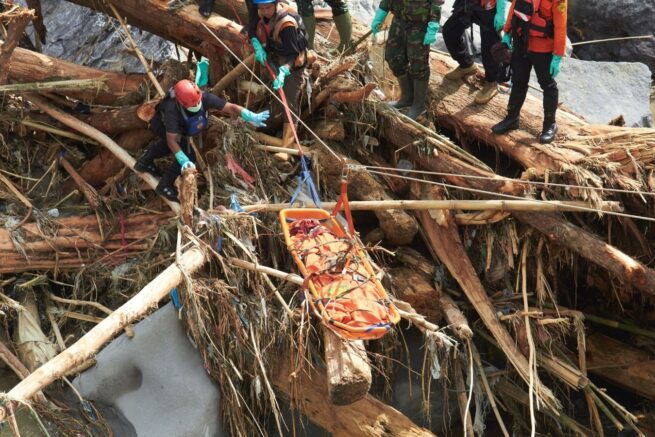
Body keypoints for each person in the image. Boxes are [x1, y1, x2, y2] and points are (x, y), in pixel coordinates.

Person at [134, 79, 270, 202]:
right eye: (192, 105)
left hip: (178, 128)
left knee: (169, 145)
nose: (197, 106)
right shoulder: (172, 110)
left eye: (198, 103)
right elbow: (171, 140)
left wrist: (249, 115)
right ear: (181, 103)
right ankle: (164, 185)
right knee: (188, 154)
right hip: (162, 124)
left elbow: (231, 107)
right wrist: (183, 160)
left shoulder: (204, 98)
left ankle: (144, 162)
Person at [491, 0, 567, 143]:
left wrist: (557, 56)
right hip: (521, 42)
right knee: (518, 81)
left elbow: (560, 26)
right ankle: (512, 118)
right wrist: (507, 33)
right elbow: (514, 8)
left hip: (543, 48)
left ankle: (550, 124)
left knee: (548, 85)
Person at [247, 0, 309, 146]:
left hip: (292, 64)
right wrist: (255, 42)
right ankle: (261, 119)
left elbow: (294, 54)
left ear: (276, 4)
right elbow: (252, 28)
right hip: (274, 57)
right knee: (271, 95)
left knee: (288, 103)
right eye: (261, 8)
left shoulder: (286, 25)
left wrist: (284, 70)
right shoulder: (260, 12)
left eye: (268, 8)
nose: (265, 11)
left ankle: (287, 145)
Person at [370, 0, 443, 120]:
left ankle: (419, 105)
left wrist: (433, 24)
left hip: (419, 25)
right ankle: (406, 98)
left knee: (418, 64)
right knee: (393, 57)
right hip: (398, 21)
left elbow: (436, 3)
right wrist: (381, 14)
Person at [442, 0, 507, 104]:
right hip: (468, 3)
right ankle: (466, 65)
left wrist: (501, 11)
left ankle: (492, 81)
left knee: (490, 46)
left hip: (489, 7)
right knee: (450, 31)